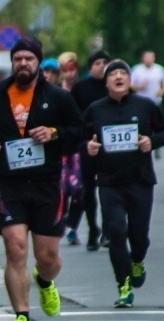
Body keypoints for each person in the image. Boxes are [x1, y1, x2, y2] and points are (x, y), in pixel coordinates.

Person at [0, 36, 86, 321]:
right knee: (15, 248)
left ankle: (45, 280)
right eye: (18, 59)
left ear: (38, 62)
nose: (23, 63)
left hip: (47, 185)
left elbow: (79, 131)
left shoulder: (57, 97)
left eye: (29, 58)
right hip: (10, 184)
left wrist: (53, 133)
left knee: (47, 257)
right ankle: (21, 318)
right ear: (12, 62)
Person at [85, 59, 164, 307]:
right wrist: (88, 147)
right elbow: (80, 137)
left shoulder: (145, 106)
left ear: (129, 80)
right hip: (109, 182)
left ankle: (137, 260)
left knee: (139, 236)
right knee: (116, 232)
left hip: (140, 181)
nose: (118, 77)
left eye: (123, 73)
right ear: (106, 82)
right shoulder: (95, 110)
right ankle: (123, 285)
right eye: (113, 74)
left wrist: (151, 142)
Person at [69, 50, 111, 250]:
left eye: (105, 62)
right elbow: (73, 116)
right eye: (97, 63)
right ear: (91, 66)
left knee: (108, 188)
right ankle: (93, 228)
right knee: (88, 189)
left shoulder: (113, 85)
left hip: (111, 147)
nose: (102, 66)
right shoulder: (80, 88)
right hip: (87, 145)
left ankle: (107, 231)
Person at [131, 51, 164, 159]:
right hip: (140, 103)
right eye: (146, 57)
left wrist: (162, 91)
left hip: (155, 101)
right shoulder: (137, 70)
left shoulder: (159, 69)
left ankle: (157, 147)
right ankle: (139, 144)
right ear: (142, 58)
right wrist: (139, 86)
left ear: (154, 58)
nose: (148, 59)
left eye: (150, 57)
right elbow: (130, 85)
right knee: (142, 124)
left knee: (157, 124)